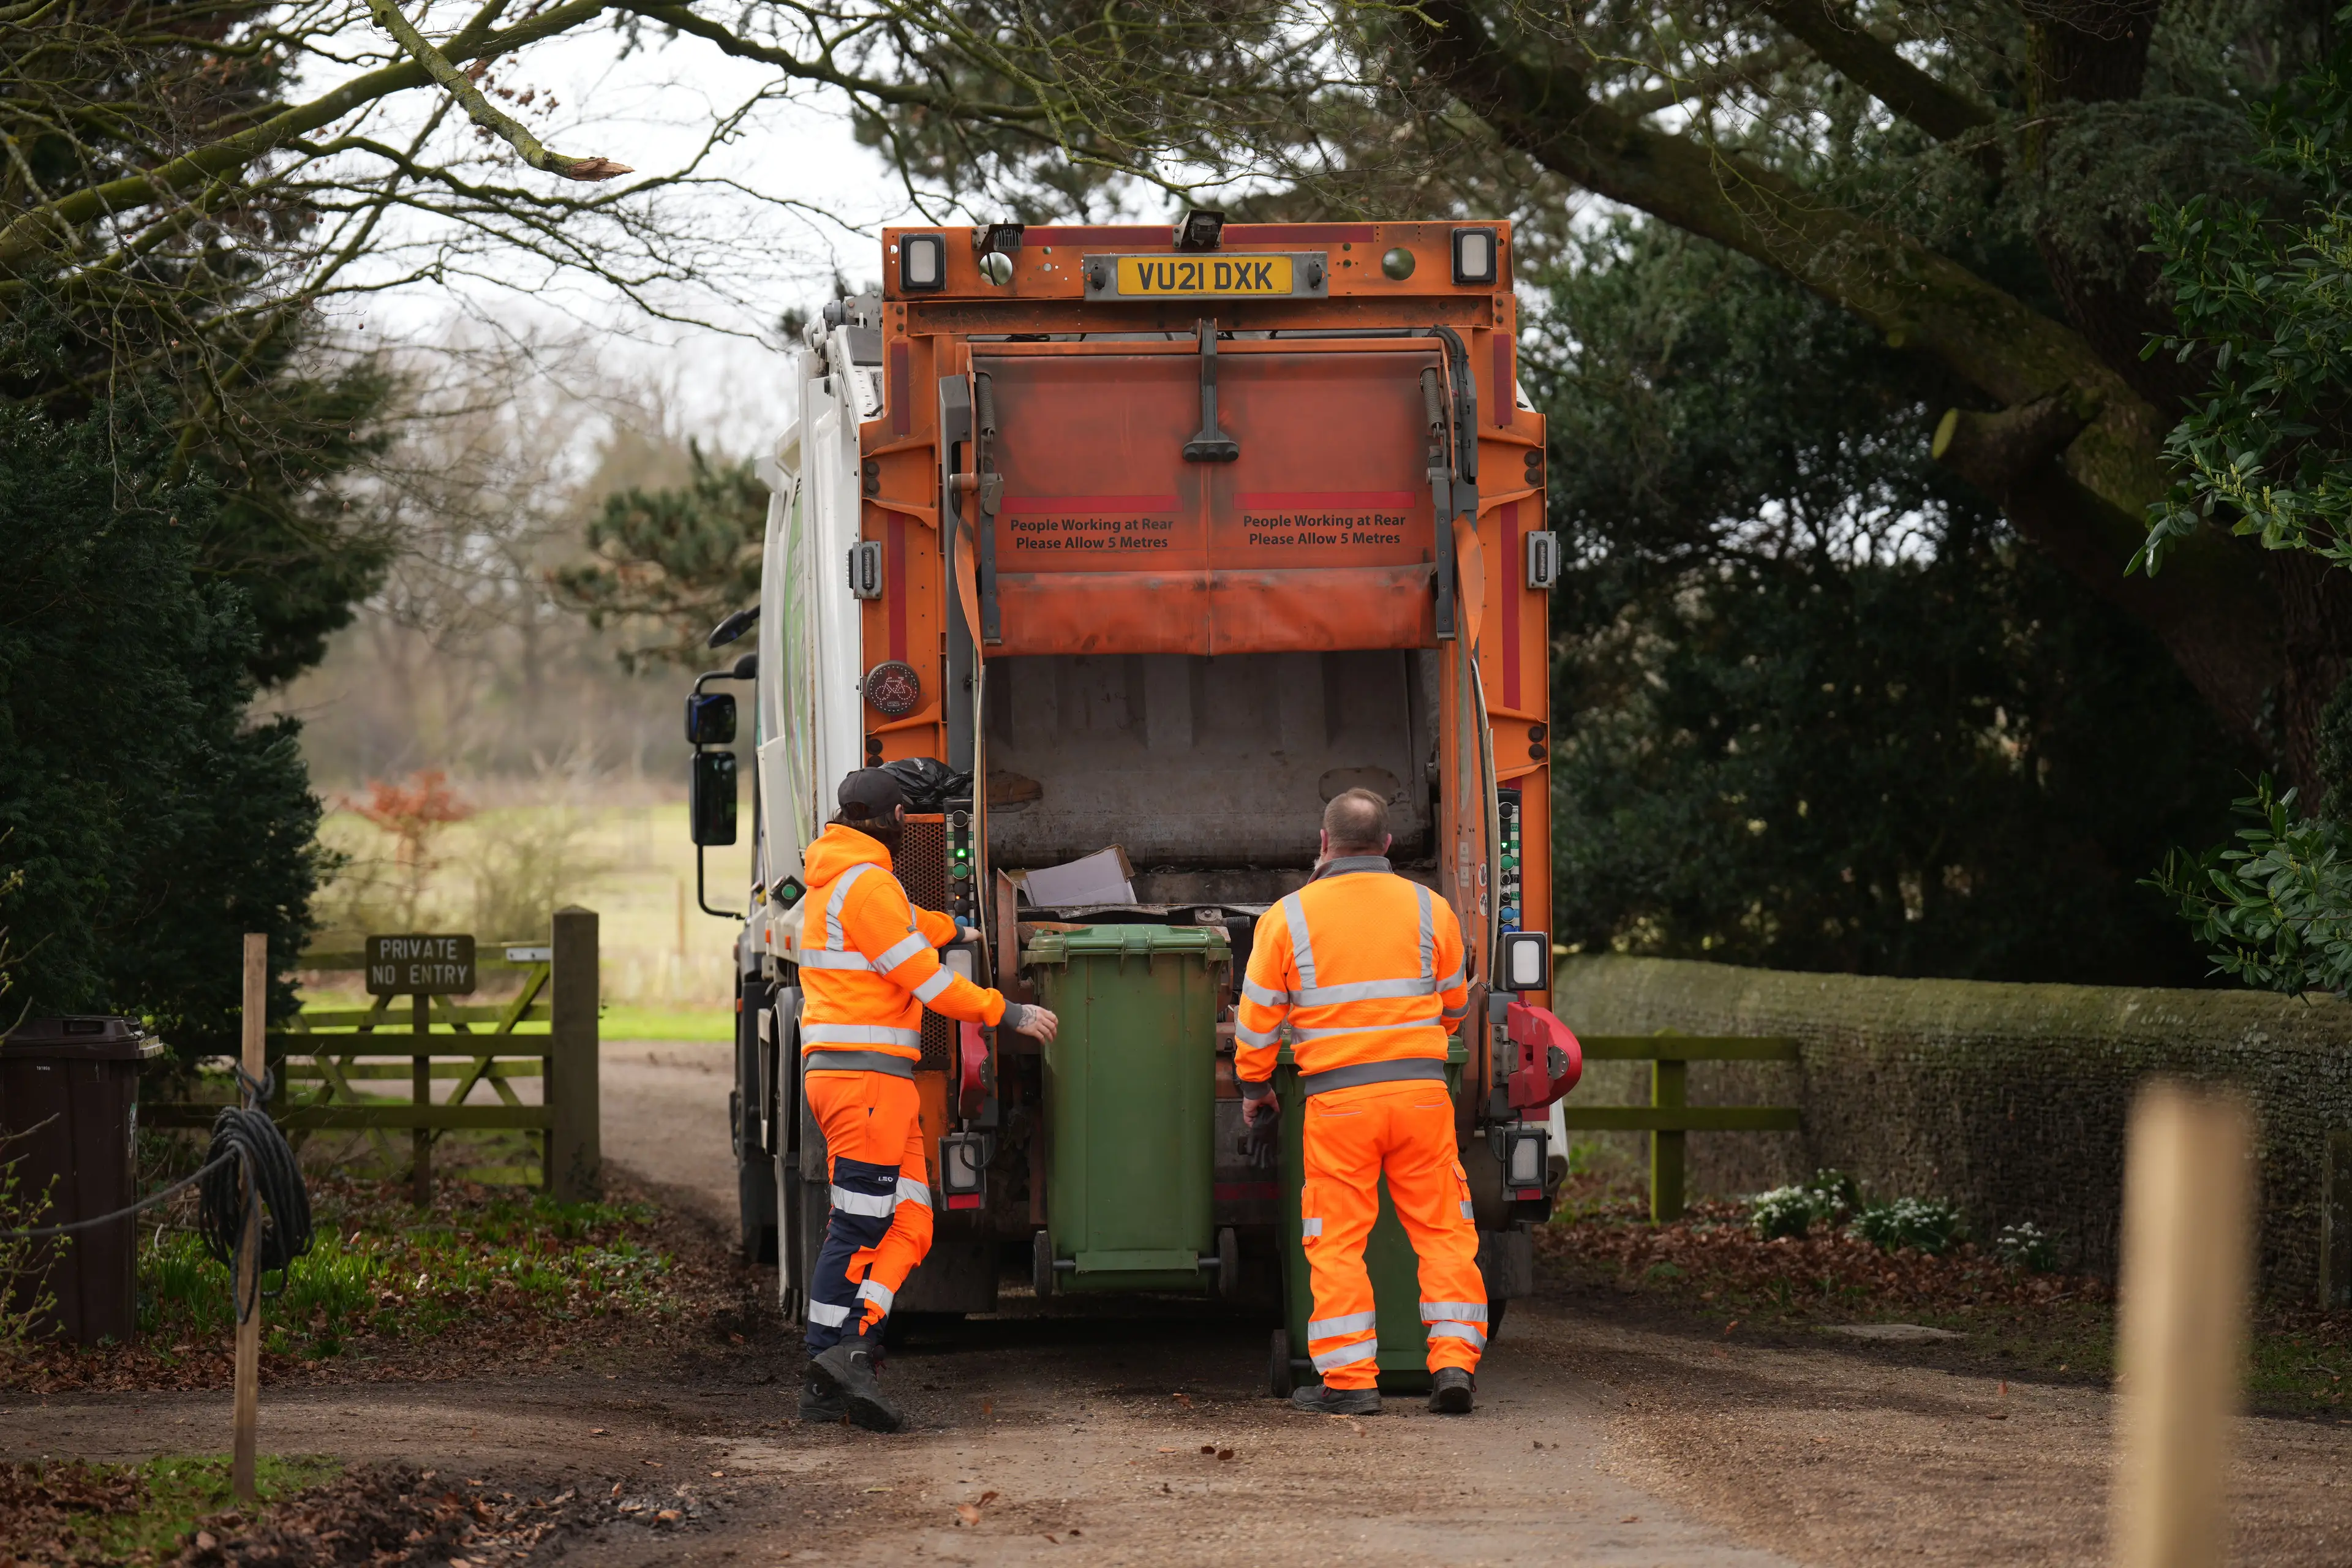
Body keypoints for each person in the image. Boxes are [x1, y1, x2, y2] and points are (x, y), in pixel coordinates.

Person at [794, 766, 1058, 1430]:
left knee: (912, 1221)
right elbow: (927, 982)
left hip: (863, 1079)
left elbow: (908, 926)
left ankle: (853, 1347)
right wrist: (1008, 1013)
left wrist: (954, 927)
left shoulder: (838, 879)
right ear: (898, 820)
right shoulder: (869, 883)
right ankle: (827, 1361)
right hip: (867, 1083)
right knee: (858, 1226)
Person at [1233, 788, 1483, 1415]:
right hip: (1423, 1096)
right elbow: (1456, 1005)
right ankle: (1453, 1364)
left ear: (1323, 843)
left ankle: (1351, 1384)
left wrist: (1256, 1087)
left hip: (1338, 1105)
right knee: (1443, 1230)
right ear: (1388, 845)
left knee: (1338, 1240)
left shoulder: (1287, 917)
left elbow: (1258, 1023)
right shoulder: (1432, 909)